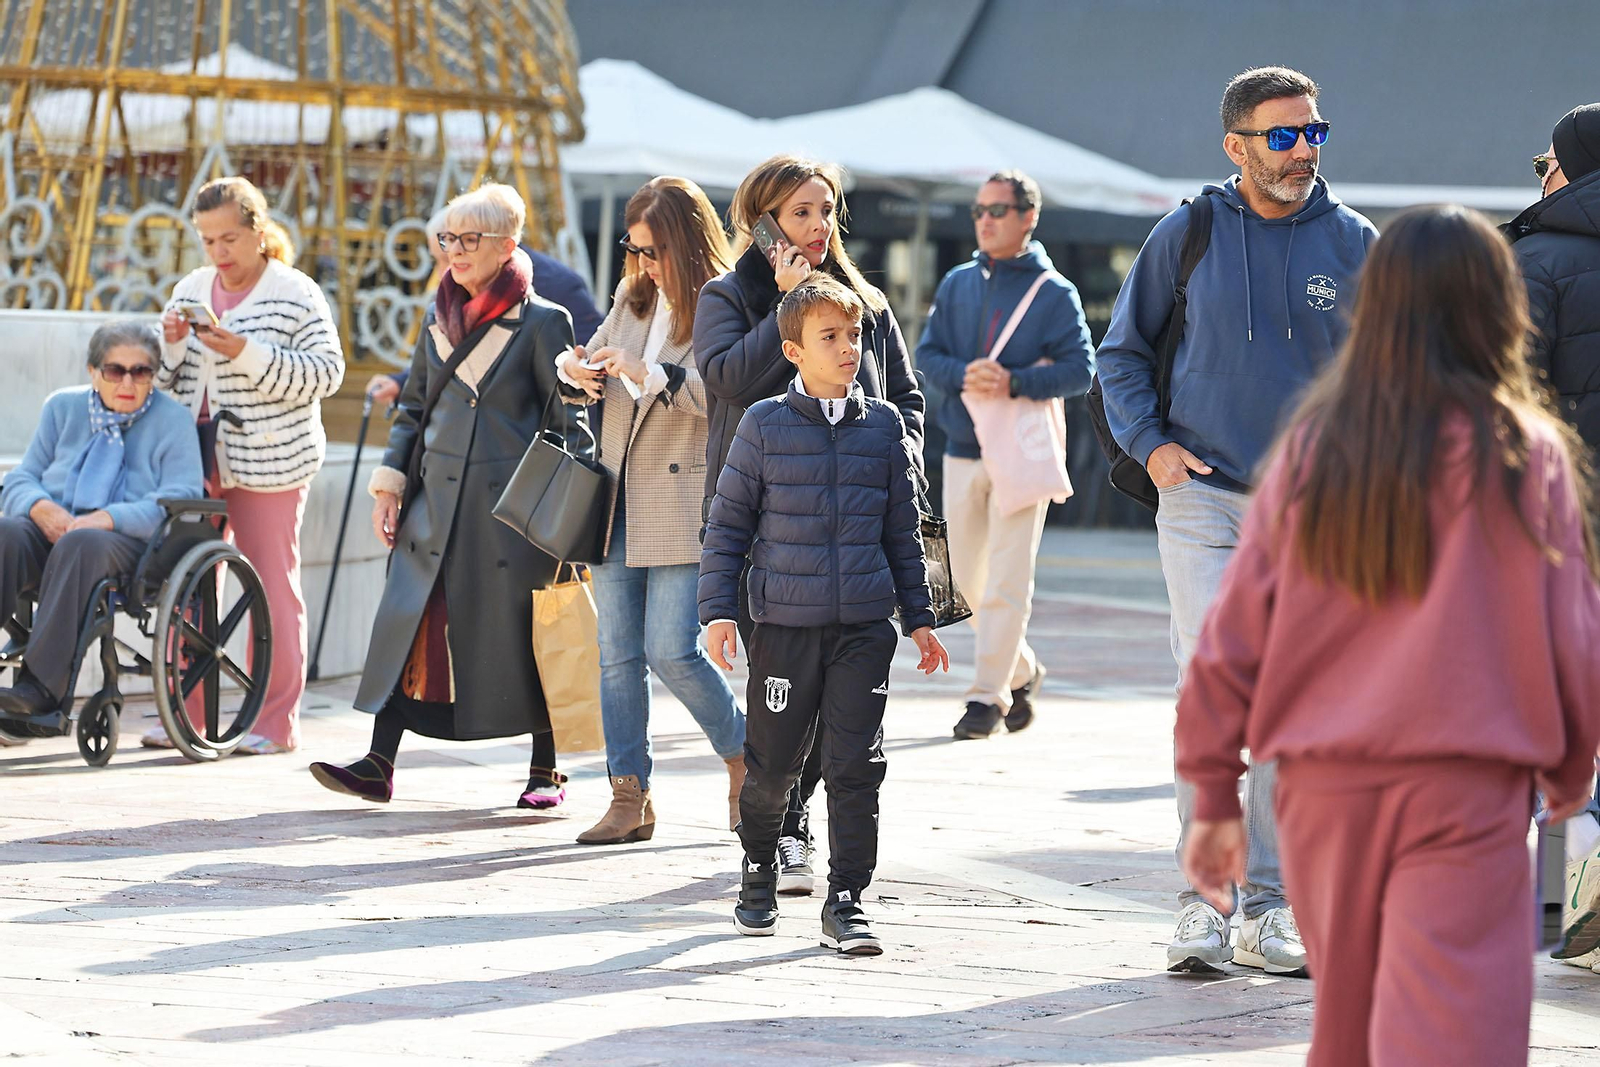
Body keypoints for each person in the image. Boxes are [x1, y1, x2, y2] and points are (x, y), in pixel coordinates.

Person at [1177, 204, 1600, 1066]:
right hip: (1467, 785)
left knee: (1349, 1026)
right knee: (1464, 1024)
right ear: (1498, 309)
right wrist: (1571, 767)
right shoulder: (1525, 450)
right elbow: (1573, 634)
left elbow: (1233, 638)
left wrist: (1215, 793)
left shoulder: (1315, 446)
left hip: (1326, 786)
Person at [1096, 66, 1376, 976]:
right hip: (1205, 499)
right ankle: (1204, 903)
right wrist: (1152, 448)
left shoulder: (1355, 243)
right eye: (1284, 135)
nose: (1303, 150)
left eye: (1314, 133)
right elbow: (1122, 353)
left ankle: (1268, 903)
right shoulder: (1189, 231)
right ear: (1237, 146)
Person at [308, 183, 587, 808]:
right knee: (411, 626)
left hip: (512, 514)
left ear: (507, 245)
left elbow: (570, 423)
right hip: (433, 502)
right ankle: (379, 763)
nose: (453, 251)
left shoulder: (544, 321)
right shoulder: (436, 318)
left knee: (523, 633)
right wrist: (390, 486)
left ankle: (546, 770)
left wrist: (560, 512)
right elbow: (411, 410)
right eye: (447, 239)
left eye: (469, 239)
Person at [694, 153, 925, 897]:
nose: (818, 226)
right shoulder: (728, 296)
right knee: (785, 711)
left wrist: (897, 459)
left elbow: (908, 400)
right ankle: (779, 830)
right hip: (773, 534)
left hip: (860, 531)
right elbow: (727, 378)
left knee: (848, 712)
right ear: (761, 222)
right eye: (799, 213)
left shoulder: (866, 304)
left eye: (826, 211)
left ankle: (810, 840)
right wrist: (786, 302)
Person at [554, 177, 746, 844]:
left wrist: (651, 374)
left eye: (652, 249)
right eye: (632, 248)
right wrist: (574, 371)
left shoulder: (726, 301)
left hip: (684, 496)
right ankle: (627, 795)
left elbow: (730, 395)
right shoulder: (632, 298)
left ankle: (745, 755)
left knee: (671, 649)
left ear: (685, 243)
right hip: (615, 495)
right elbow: (594, 362)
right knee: (615, 655)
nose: (641, 263)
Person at [156, 176, 345, 755]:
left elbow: (326, 374)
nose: (220, 252)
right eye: (209, 240)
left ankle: (274, 723)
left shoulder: (296, 292)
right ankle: (187, 718)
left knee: (270, 588)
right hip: (195, 460)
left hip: (272, 462)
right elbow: (164, 385)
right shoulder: (191, 286)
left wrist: (243, 351)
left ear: (259, 231)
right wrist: (169, 347)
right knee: (188, 587)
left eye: (230, 237)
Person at [915, 169, 1094, 740]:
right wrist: (965, 374)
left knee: (1007, 581)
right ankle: (1022, 671)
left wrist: (1014, 382)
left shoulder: (1054, 292)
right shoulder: (958, 282)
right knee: (959, 585)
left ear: (1027, 217)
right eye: (979, 211)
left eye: (997, 210)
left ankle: (985, 698)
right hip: (963, 448)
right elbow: (928, 355)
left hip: (1019, 453)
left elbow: (1080, 371)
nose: (985, 220)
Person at [0, 323, 202, 730]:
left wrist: (109, 518)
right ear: (94, 372)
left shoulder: (173, 421)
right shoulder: (62, 408)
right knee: (7, 531)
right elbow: (22, 477)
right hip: (57, 534)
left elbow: (183, 498)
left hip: (132, 548)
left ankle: (40, 690)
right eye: (115, 370)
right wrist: (40, 508)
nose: (127, 381)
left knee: (85, 543)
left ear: (152, 376)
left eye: (141, 372)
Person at [1506, 101, 1600, 973]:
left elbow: (1511, 399)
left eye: (1547, 160)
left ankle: (1551, 900)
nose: (1540, 173)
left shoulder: (1536, 259)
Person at [367, 209, 603, 406]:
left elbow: (586, 365)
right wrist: (401, 382)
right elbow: (457, 358)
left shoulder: (556, 285)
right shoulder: (459, 294)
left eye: (453, 255)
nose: (442, 272)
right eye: (441, 257)